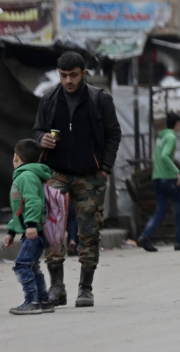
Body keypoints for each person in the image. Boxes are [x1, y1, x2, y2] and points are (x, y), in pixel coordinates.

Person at [33, 51, 121, 308]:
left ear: (84, 73)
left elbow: (114, 134)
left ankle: (85, 288)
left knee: (89, 231)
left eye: (73, 75)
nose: (68, 81)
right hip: (56, 172)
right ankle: (57, 287)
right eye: (63, 75)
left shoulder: (99, 99)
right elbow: (37, 129)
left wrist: (104, 168)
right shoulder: (49, 99)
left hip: (90, 175)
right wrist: (42, 139)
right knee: (52, 229)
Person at [4, 139, 54, 315]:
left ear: (16, 157)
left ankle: (32, 300)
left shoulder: (27, 177)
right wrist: (11, 231)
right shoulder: (24, 176)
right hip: (32, 230)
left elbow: (33, 202)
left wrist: (31, 225)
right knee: (32, 266)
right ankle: (44, 300)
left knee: (21, 265)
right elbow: (19, 209)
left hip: (36, 231)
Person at [138, 112, 180, 252]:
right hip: (169, 179)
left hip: (157, 178)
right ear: (178, 124)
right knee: (179, 209)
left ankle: (145, 235)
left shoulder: (160, 137)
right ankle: (179, 241)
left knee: (161, 209)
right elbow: (164, 156)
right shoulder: (171, 137)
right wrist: (176, 172)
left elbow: (157, 157)